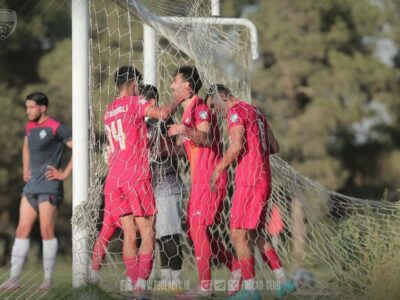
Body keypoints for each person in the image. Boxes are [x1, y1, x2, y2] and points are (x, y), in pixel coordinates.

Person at [99, 66, 185, 296]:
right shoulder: (134, 102)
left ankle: (132, 280)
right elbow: (165, 114)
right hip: (134, 175)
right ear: (135, 84)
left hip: (114, 177)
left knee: (129, 233)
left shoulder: (109, 110)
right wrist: (178, 98)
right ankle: (141, 286)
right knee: (147, 231)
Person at [208, 84, 296, 300]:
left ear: (222, 98)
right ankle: (284, 282)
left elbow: (237, 145)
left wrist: (219, 167)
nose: (216, 112)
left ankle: (249, 291)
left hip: (250, 180)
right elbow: (274, 146)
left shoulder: (236, 112)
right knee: (255, 234)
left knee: (237, 233)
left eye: (214, 107)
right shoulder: (256, 111)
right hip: (263, 178)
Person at [167, 66, 240, 298]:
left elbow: (206, 138)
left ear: (187, 85)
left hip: (209, 178)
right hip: (200, 179)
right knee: (196, 230)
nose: (172, 86)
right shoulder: (189, 111)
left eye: (175, 81)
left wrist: (184, 130)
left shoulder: (199, 108)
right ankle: (235, 268)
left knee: (198, 229)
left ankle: (205, 287)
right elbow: (191, 145)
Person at [0, 92, 72, 291]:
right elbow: (25, 147)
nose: (27, 111)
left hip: (49, 187)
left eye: (31, 107)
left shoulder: (57, 127)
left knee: (46, 231)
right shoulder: (30, 127)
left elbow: (78, 146)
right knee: (21, 230)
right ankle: (14, 279)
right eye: (27, 107)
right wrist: (25, 168)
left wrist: (64, 173)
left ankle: (47, 281)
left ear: (43, 108)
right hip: (31, 188)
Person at [141, 84, 184, 288]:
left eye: (139, 100)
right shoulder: (141, 123)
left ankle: (176, 280)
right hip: (150, 187)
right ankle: (166, 279)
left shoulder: (164, 121)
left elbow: (181, 147)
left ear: (149, 102)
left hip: (167, 183)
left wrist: (167, 150)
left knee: (169, 235)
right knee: (158, 235)